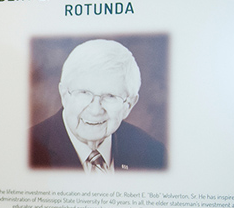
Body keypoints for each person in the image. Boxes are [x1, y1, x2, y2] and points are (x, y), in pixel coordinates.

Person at [29, 38, 167, 172]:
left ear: (129, 105)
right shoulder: (27, 149)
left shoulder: (153, 154)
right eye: (84, 93)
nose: (95, 110)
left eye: (110, 96)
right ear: (64, 94)